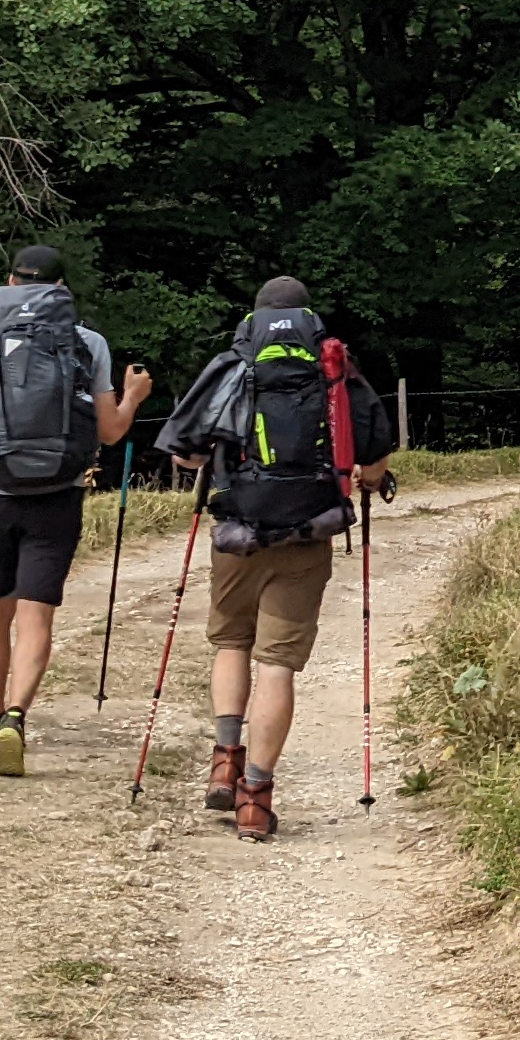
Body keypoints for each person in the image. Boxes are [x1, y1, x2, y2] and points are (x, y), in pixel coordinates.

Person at [158, 275, 393, 840]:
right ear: (308, 317)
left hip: (238, 531)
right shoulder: (334, 368)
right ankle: (256, 800)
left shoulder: (233, 365)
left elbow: (185, 452)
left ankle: (224, 760)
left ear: (255, 318)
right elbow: (377, 456)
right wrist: (363, 475)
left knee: (231, 643)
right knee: (278, 665)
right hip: (307, 535)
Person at [0, 242, 149, 776]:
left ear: (9, 282)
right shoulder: (87, 343)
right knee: (37, 614)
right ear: (62, 290)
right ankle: (17, 719)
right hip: (59, 493)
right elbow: (111, 431)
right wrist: (135, 395)